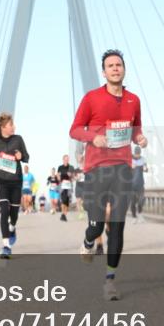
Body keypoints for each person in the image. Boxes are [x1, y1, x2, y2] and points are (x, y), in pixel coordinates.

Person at [70, 49, 147, 301]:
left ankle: (110, 280)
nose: (115, 68)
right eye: (110, 65)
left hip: (123, 168)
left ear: (124, 69)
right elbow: (74, 129)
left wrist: (140, 138)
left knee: (117, 226)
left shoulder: (133, 100)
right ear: (104, 72)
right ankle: (88, 241)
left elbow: (135, 129)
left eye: (118, 64)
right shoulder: (92, 98)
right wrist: (94, 137)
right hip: (96, 169)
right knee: (96, 225)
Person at [0, 112, 30, 259]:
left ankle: (12, 227)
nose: (14, 127)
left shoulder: (18, 139)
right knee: (4, 211)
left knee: (14, 214)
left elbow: (27, 157)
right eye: (11, 125)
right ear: (3, 127)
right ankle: (6, 246)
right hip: (1, 181)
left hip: (15, 181)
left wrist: (21, 157)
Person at [130, 146, 149, 222]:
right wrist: (131, 167)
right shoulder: (130, 160)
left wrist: (145, 168)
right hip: (131, 184)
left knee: (141, 200)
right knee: (133, 202)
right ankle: (134, 217)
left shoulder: (143, 159)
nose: (137, 155)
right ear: (134, 153)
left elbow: (146, 169)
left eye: (138, 153)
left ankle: (140, 214)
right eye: (136, 153)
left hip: (140, 184)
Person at [56, 155, 76, 222]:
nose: (66, 160)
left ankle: (64, 215)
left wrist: (71, 175)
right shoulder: (60, 167)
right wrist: (59, 179)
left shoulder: (71, 167)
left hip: (69, 185)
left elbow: (74, 177)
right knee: (63, 199)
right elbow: (58, 175)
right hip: (62, 185)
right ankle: (62, 214)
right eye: (65, 159)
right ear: (63, 160)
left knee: (67, 201)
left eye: (67, 159)